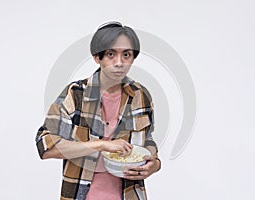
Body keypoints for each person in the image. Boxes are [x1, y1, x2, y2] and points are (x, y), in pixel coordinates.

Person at [35, 21, 161, 200]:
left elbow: (148, 141)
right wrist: (101, 145)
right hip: (83, 193)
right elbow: (45, 146)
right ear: (97, 57)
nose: (119, 62)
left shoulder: (141, 95)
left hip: (130, 194)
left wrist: (154, 164)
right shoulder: (76, 94)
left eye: (126, 54)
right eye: (111, 54)